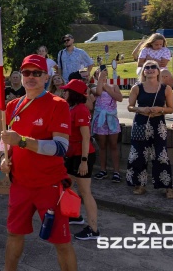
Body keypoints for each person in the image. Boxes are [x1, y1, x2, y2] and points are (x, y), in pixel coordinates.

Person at [0, 54, 77, 271]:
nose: (30, 77)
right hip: (20, 184)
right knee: (14, 234)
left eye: (37, 73)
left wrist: (22, 141)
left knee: (61, 243)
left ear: (46, 77)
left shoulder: (58, 104)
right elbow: (5, 141)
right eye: (26, 73)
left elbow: (60, 148)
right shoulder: (12, 106)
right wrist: (4, 158)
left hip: (50, 185)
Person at [126, 60, 173, 198]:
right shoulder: (137, 87)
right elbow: (129, 106)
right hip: (141, 123)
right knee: (138, 155)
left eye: (153, 67)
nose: (150, 69)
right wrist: (139, 109)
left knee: (161, 154)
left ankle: (166, 186)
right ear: (143, 71)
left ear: (159, 71)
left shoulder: (166, 88)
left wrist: (160, 109)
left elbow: (171, 109)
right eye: (146, 67)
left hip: (158, 124)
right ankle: (139, 184)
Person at [59, 80, 100, 241]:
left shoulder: (81, 110)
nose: (64, 93)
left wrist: (83, 161)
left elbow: (85, 138)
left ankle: (94, 229)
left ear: (73, 94)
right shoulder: (72, 108)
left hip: (83, 155)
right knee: (67, 185)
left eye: (66, 91)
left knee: (85, 192)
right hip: (73, 154)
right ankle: (75, 216)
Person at [91, 68, 123, 182]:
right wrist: (100, 81)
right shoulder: (94, 87)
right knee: (102, 146)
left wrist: (108, 88)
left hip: (111, 119)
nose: (102, 76)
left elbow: (119, 98)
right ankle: (103, 170)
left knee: (113, 145)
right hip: (101, 120)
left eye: (103, 74)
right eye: (98, 75)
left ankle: (116, 171)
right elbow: (98, 92)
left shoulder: (113, 86)